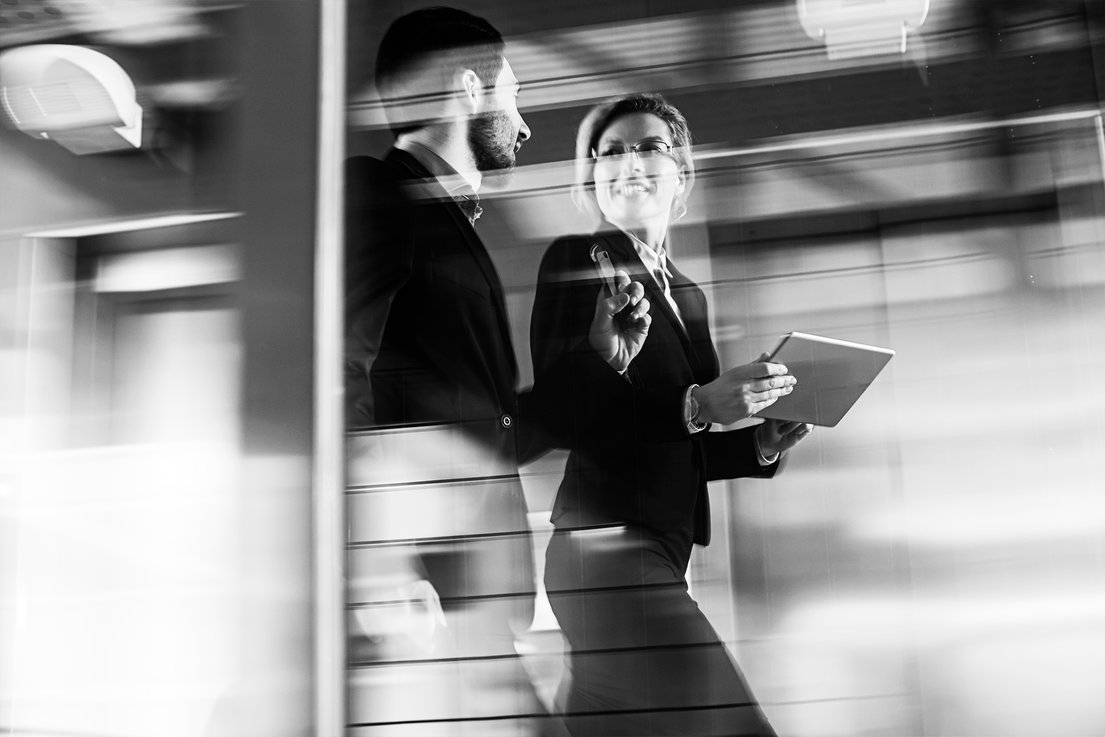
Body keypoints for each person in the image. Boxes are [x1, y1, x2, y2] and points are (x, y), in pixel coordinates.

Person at [343, 8, 652, 735]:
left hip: (467, 596)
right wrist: (379, 564)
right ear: (468, 88)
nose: (522, 123)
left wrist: (602, 360)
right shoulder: (380, 194)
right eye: (511, 94)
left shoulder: (438, 219)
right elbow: (334, 370)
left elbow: (487, 429)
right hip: (424, 590)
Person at [530, 93, 813, 736]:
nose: (628, 162)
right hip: (602, 550)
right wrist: (698, 404)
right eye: (611, 151)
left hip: (662, 551)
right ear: (593, 177)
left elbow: (675, 444)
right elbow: (565, 410)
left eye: (648, 146)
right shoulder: (579, 262)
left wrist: (758, 445)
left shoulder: (687, 295)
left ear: (681, 172)